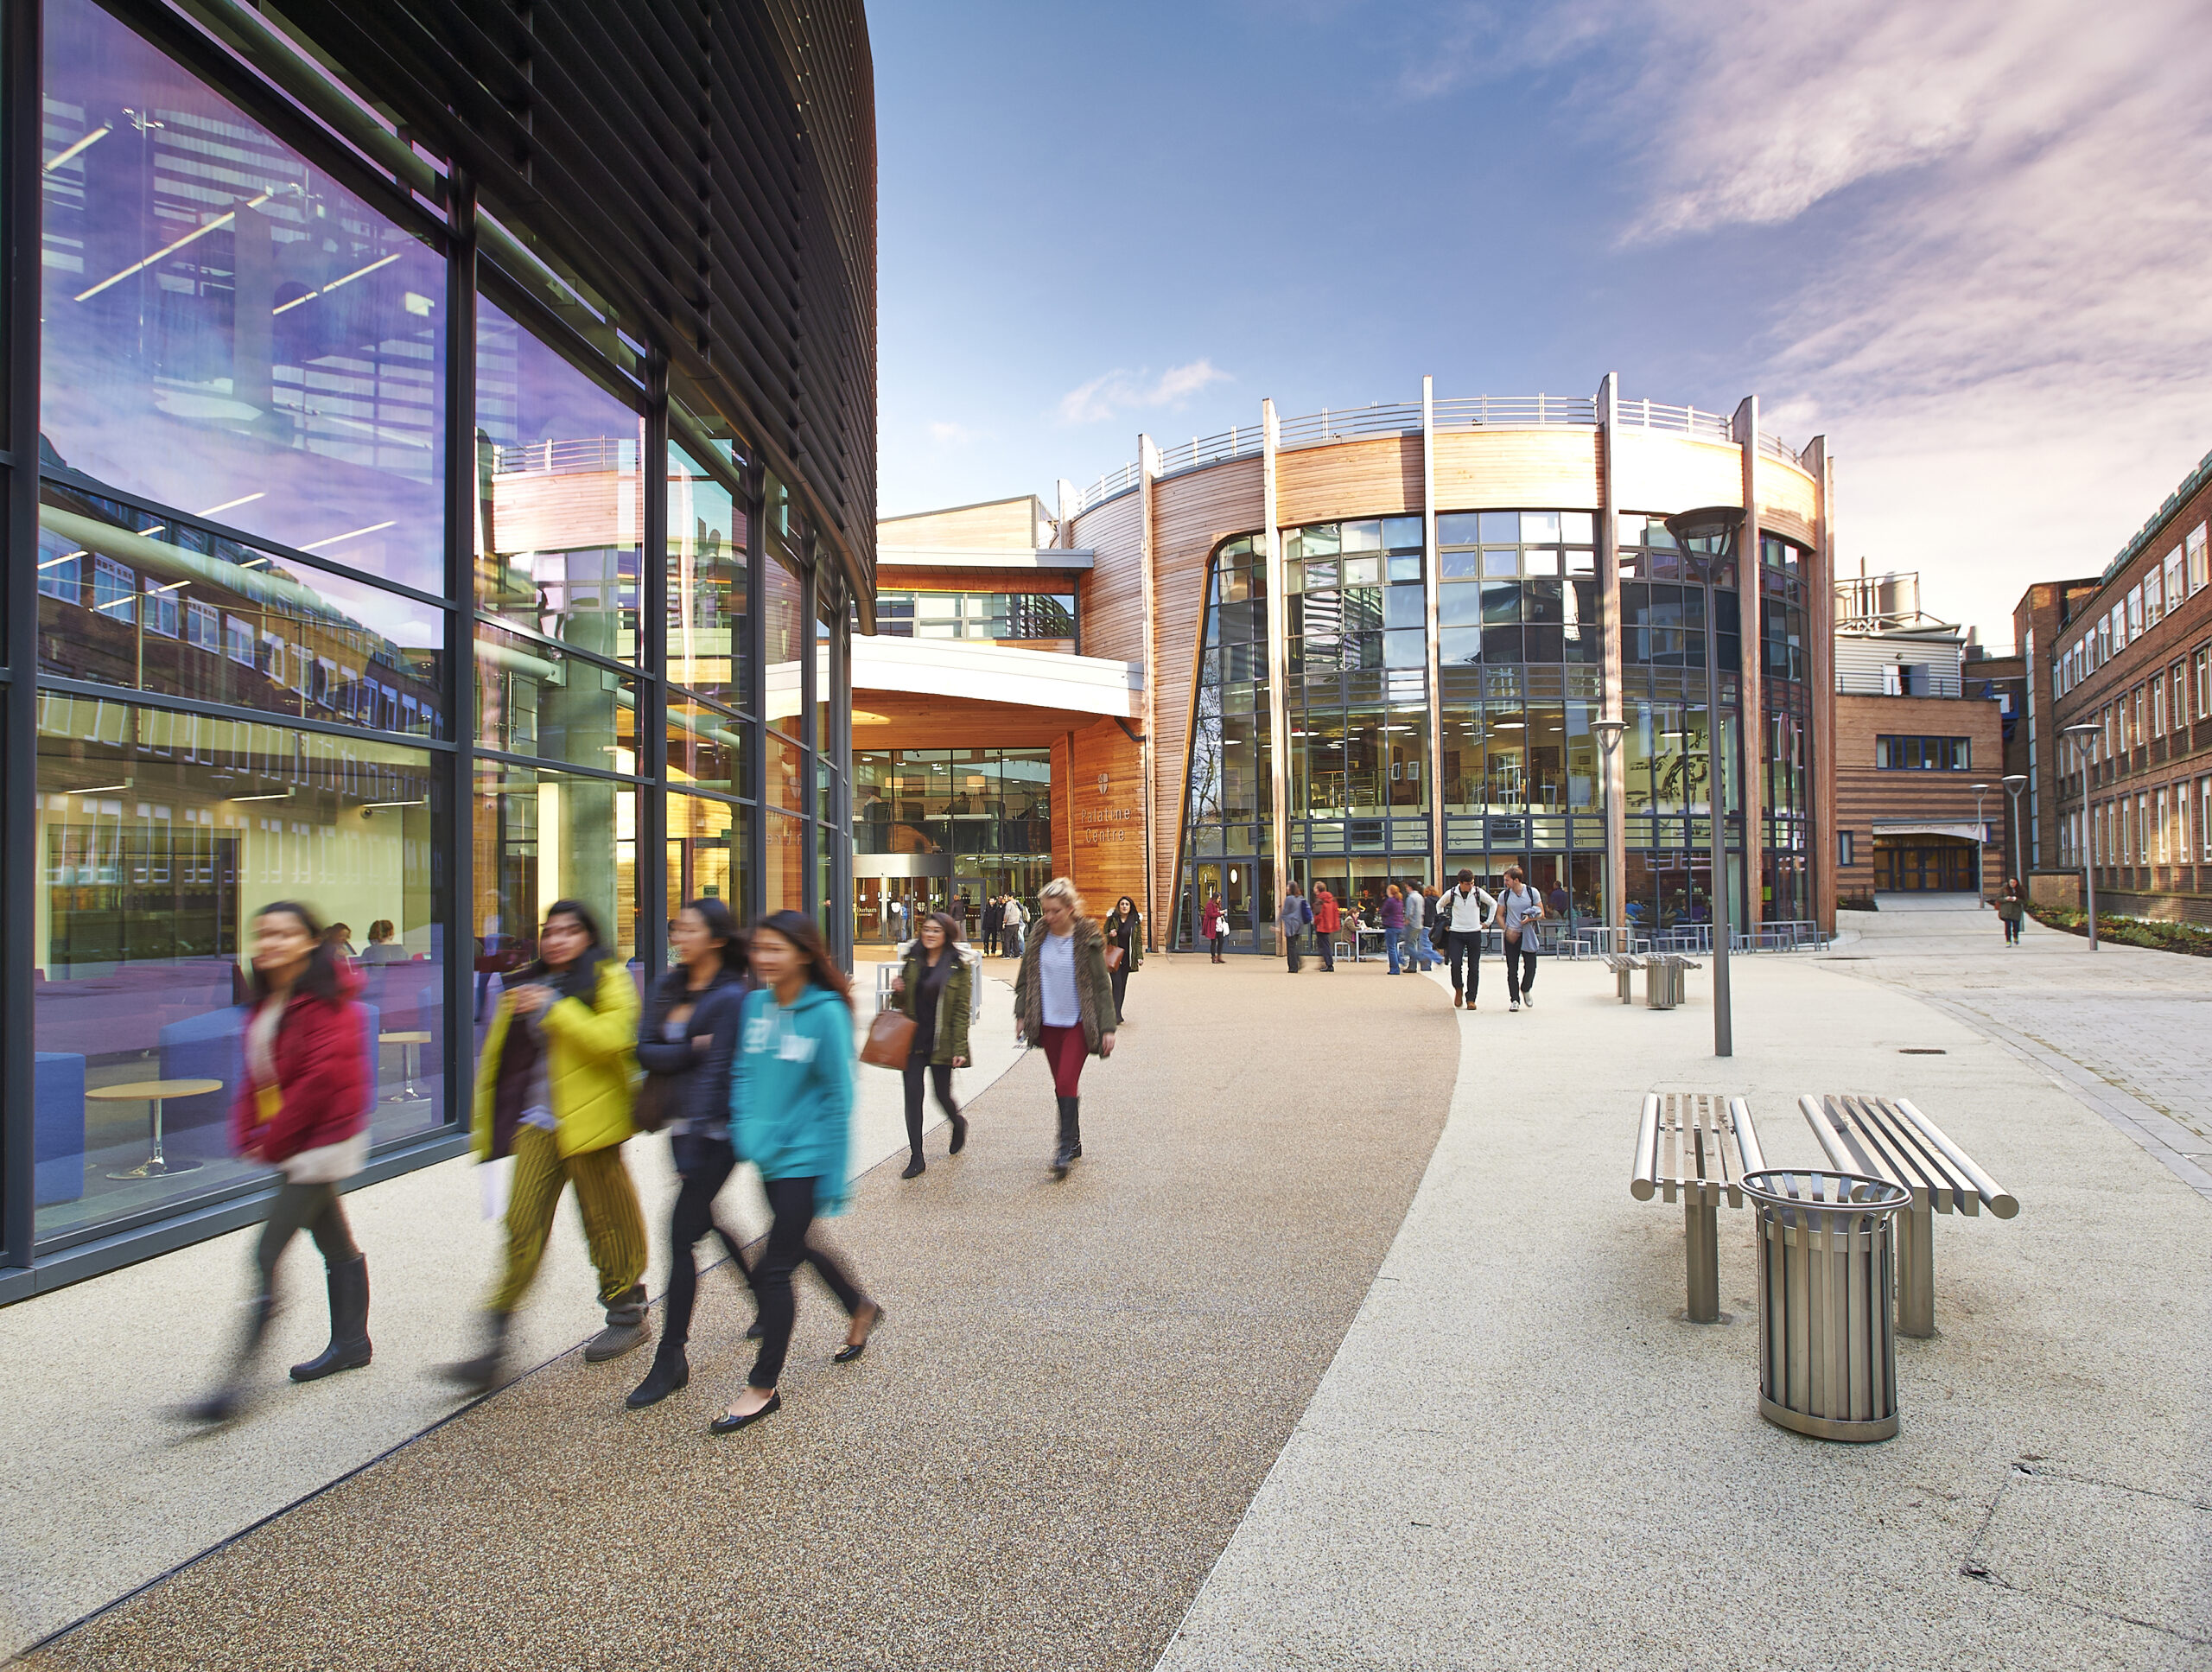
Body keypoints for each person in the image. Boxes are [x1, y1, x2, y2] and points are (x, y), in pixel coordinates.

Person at [440, 900, 649, 1395]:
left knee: (606, 1218)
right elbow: (502, 1059)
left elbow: (612, 1039)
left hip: (592, 1123)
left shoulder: (606, 978)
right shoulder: (523, 983)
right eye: (549, 932)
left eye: (569, 932)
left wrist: (556, 1009)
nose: (556, 941)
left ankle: (627, 1309)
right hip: (539, 1124)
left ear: (588, 937)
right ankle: (494, 1341)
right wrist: (490, 1121)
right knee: (522, 1224)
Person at [183, 901, 373, 1422]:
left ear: (311, 942)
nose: (270, 944)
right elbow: (260, 1076)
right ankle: (352, 1344)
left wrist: (273, 1142)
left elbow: (319, 1083)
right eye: (263, 934)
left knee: (266, 1254)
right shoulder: (272, 1000)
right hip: (296, 1139)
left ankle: (230, 1391)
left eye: (284, 935)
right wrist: (248, 1127)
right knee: (334, 1241)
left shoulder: (329, 1002)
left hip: (322, 1141)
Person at [713, 911, 880, 1434]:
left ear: (804, 953)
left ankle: (762, 1387)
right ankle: (860, 1307)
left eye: (776, 949)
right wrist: (747, 1128)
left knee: (774, 1269)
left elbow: (839, 1097)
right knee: (800, 1244)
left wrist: (831, 1178)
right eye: (759, 948)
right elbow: (743, 1071)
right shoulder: (757, 1005)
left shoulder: (826, 1012)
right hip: (768, 1157)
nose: (764, 958)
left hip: (806, 1161)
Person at [625, 898, 757, 1409]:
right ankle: (767, 1302)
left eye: (690, 928)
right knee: (705, 1222)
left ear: (717, 939)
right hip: (680, 1125)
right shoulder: (671, 984)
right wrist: (689, 1049)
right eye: (677, 926)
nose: (678, 935)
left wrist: (682, 1052)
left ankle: (671, 1357)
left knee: (681, 1232)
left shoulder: (733, 993)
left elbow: (724, 1065)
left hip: (718, 1132)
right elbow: (644, 1049)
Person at [1013, 877, 1117, 1176]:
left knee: (1065, 1080)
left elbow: (1100, 986)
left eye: (1055, 910)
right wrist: (1021, 1014)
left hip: (1078, 1023)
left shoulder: (1087, 937)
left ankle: (1062, 1149)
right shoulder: (1038, 936)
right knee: (1062, 1083)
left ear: (1070, 909)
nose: (1049, 917)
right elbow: (1024, 980)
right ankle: (1075, 1141)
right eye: (1045, 910)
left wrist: (1108, 1027)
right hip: (1047, 1023)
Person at [888, 910, 971, 1178]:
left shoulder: (958, 966)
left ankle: (958, 1123)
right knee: (912, 1097)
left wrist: (959, 1047)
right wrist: (898, 991)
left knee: (941, 1094)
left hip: (941, 1041)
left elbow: (961, 1011)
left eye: (936, 930)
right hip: (912, 1040)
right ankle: (917, 1157)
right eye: (926, 929)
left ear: (946, 934)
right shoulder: (913, 959)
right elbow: (899, 1004)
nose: (929, 934)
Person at [1440, 868, 1497, 1010]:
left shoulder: (1477, 892)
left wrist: (1488, 922)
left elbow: (1493, 903)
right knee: (1456, 964)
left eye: (1472, 883)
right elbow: (1439, 905)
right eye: (1467, 884)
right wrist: (1444, 923)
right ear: (1460, 883)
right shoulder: (1452, 893)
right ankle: (1458, 988)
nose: (1470, 886)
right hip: (1456, 933)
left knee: (1474, 967)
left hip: (1474, 933)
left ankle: (1471, 998)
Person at [1497, 864, 1544, 1011]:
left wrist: (1529, 919)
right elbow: (1499, 915)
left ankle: (1526, 988)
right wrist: (1506, 929)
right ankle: (1514, 1000)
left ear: (1516, 880)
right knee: (1512, 969)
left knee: (1531, 967)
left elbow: (1542, 913)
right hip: (1512, 935)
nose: (1505, 883)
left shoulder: (1531, 892)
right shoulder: (1505, 895)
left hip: (1527, 934)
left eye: (1507, 880)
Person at [1103, 895, 1142, 1020]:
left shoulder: (1135, 921)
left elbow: (1138, 941)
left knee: (1123, 985)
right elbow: (1102, 936)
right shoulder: (1112, 919)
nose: (1124, 906)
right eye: (1122, 904)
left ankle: (1118, 1013)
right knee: (1117, 984)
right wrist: (1110, 934)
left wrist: (1139, 957)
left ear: (1130, 907)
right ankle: (1113, 1014)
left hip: (1127, 958)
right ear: (1118, 906)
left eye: (1127, 904)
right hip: (1114, 957)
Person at [1281, 881, 1313, 973]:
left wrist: (1276, 923)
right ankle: (1298, 961)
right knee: (1293, 945)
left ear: (1291, 888)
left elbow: (1285, 912)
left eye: (1288, 886)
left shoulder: (1289, 899)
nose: (1286, 888)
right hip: (1299, 925)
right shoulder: (1301, 898)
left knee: (1290, 946)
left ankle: (1293, 967)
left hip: (1291, 925)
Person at [1312, 884, 1340, 971]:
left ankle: (1329, 964)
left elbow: (1318, 915)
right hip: (1328, 925)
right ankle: (1328, 963)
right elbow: (1336, 912)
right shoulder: (1331, 900)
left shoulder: (1320, 900)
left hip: (1321, 926)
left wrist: (1314, 922)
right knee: (1326, 945)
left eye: (1315, 887)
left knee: (1324, 946)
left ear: (1317, 889)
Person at [1402, 882, 1429, 972]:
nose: (1406, 889)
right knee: (1414, 944)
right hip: (1419, 923)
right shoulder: (1420, 897)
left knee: (1410, 945)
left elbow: (1410, 911)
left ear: (1410, 887)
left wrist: (1406, 920)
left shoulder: (1411, 897)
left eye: (1406, 887)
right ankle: (1416, 963)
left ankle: (1414, 964)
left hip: (1412, 924)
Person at [1381, 884, 1407, 974]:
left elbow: (1383, 912)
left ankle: (1395, 969)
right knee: (1394, 947)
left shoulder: (1390, 901)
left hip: (1391, 926)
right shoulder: (1399, 901)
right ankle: (1401, 960)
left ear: (1390, 891)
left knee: (1391, 948)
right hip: (1399, 926)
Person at [1999, 877, 2025, 945]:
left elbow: (2024, 901)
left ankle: (2016, 937)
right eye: (2011, 882)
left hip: (2016, 911)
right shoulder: (2003, 889)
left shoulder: (2020, 890)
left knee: (2016, 926)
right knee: (2007, 926)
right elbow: (1998, 898)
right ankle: (2008, 940)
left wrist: (2016, 900)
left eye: (2014, 882)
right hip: (2006, 910)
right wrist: (2005, 899)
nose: (2012, 884)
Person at [1202, 890, 1226, 963]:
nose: (1219, 900)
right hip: (1213, 925)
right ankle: (1213, 957)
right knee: (1213, 942)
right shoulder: (1209, 904)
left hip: (1219, 925)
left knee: (1221, 941)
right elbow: (1211, 914)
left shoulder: (1218, 904)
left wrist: (1222, 913)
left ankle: (1219, 956)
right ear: (1215, 898)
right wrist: (1220, 913)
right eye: (1218, 898)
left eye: (1220, 899)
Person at [1001, 893, 1027, 959]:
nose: (1007, 898)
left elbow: (1007, 913)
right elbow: (1021, 910)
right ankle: (1017, 954)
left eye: (1008, 896)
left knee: (1007, 939)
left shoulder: (1009, 904)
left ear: (1011, 896)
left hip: (1010, 923)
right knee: (1015, 939)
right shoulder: (1017, 903)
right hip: (1016, 923)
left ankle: (1007, 955)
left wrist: (1004, 921)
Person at [981, 893, 1004, 958]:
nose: (990, 901)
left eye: (992, 900)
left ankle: (993, 951)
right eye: (990, 900)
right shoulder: (987, 907)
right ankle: (986, 951)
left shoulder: (997, 908)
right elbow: (985, 917)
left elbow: (998, 918)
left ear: (995, 901)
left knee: (994, 939)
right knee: (986, 939)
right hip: (987, 926)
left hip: (994, 926)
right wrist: (984, 926)